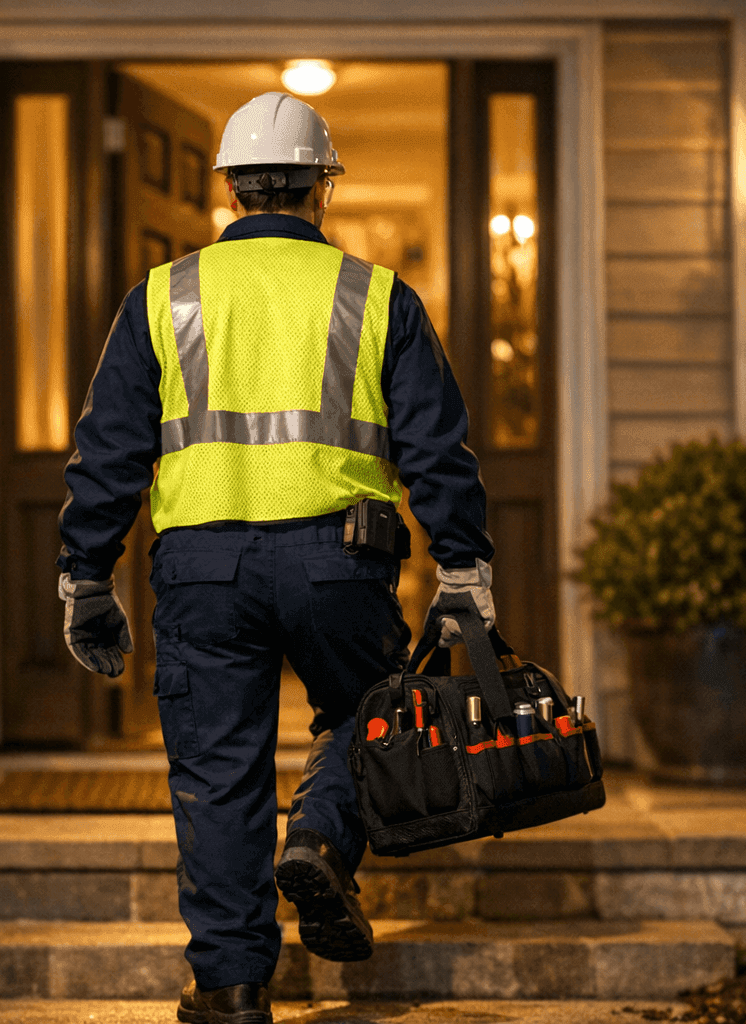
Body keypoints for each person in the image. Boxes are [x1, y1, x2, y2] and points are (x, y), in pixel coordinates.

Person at [56, 91, 496, 1024]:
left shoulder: (163, 296)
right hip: (342, 561)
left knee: (217, 774)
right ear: (319, 190)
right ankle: (324, 844)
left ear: (230, 189)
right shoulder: (377, 296)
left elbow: (109, 449)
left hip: (202, 572)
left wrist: (85, 574)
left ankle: (232, 987)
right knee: (367, 713)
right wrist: (464, 565)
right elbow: (436, 448)